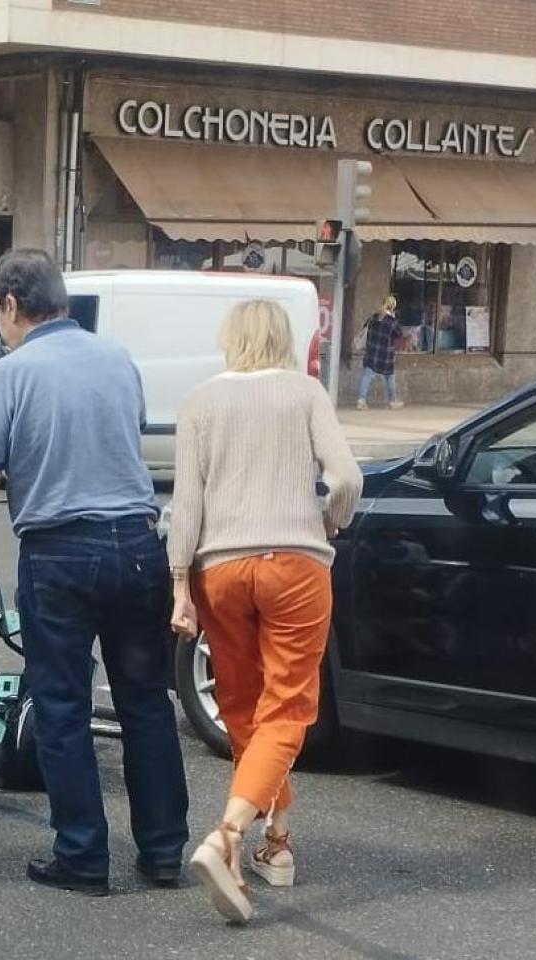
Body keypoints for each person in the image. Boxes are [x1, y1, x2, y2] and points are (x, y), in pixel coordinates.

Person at [0, 248, 189, 897]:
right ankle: (164, 849)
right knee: (146, 702)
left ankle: (83, 856)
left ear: (9, 304)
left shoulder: (9, 374)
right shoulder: (116, 359)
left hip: (59, 551)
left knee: (61, 707)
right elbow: (125, 433)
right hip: (139, 544)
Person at [166, 299, 362, 922]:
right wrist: (328, 523)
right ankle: (229, 836)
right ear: (283, 339)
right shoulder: (304, 393)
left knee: (244, 708)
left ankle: (276, 845)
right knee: (289, 707)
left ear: (231, 339)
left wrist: (179, 586)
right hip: (296, 564)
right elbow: (347, 476)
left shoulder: (200, 400)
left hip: (219, 568)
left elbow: (186, 501)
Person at [356, 295, 402, 410]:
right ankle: (392, 401)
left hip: (371, 353)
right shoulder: (392, 321)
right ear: (392, 307)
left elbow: (364, 327)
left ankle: (361, 400)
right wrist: (393, 317)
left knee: (366, 376)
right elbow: (399, 334)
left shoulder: (373, 317)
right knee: (389, 377)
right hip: (385, 355)